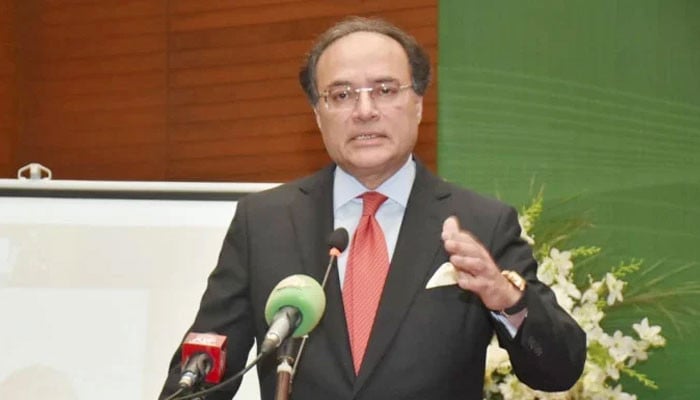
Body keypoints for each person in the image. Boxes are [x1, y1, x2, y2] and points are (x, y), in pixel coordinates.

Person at [159, 16, 586, 400]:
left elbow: (559, 369)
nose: (364, 111)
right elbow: (202, 372)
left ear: (418, 103)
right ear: (318, 113)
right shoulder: (265, 222)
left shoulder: (482, 223)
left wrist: (507, 299)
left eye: (384, 90)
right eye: (341, 94)